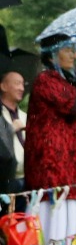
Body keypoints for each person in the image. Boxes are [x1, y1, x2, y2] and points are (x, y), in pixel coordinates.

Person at [24, 34, 76, 245]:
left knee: (73, 203)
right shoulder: (45, 80)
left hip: (72, 159)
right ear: (53, 54)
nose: (74, 55)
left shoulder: (65, 80)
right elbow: (73, 106)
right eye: (68, 50)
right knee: (58, 204)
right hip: (52, 158)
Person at [0, 70, 26, 198]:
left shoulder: (25, 116)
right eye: (17, 83)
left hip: (27, 178)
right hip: (6, 180)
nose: (21, 88)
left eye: (23, 84)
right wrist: (11, 129)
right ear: (3, 86)